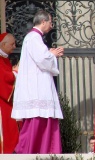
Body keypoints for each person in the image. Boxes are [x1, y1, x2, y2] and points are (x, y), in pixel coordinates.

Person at [11, 10, 64, 154]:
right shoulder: (34, 37)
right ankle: (26, 151)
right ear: (43, 22)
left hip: (39, 85)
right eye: (51, 22)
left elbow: (41, 57)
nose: (51, 26)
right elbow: (43, 60)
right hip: (37, 89)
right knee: (37, 121)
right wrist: (52, 54)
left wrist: (50, 54)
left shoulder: (35, 38)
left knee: (43, 120)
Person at [0, 33, 19, 153]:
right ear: (3, 44)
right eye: (12, 44)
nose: (14, 47)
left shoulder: (5, 59)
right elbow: (4, 79)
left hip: (7, 103)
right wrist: (16, 72)